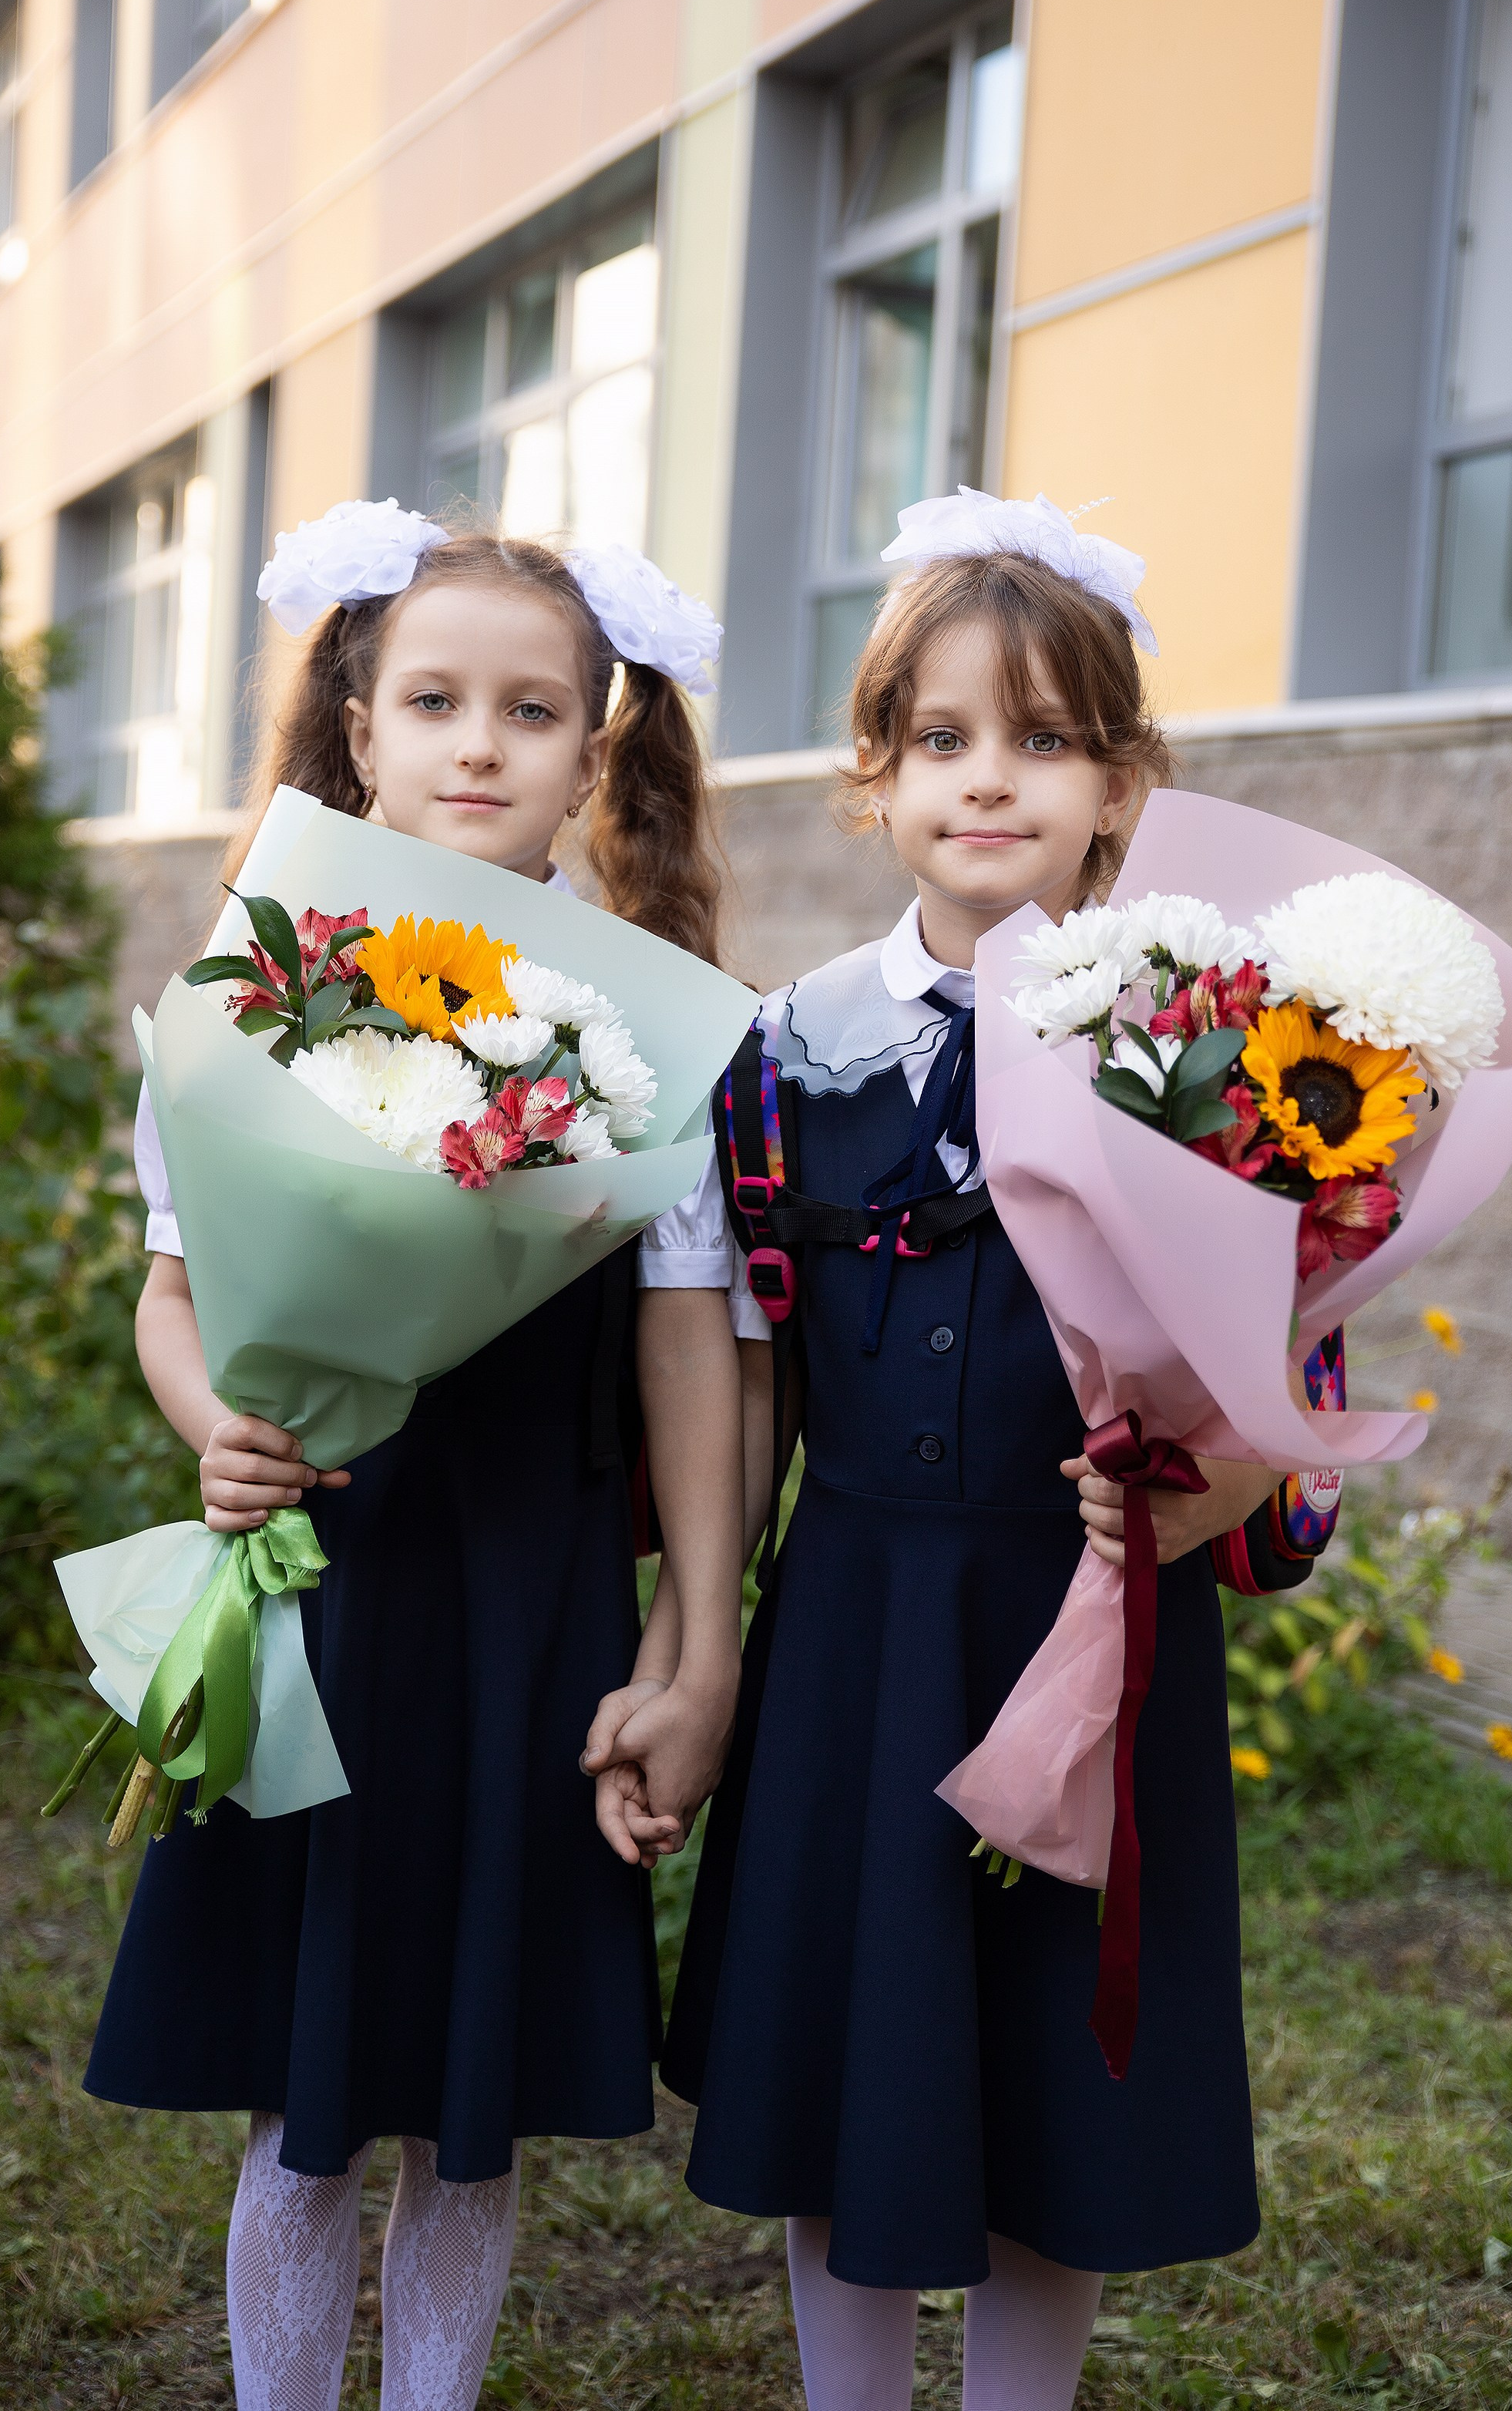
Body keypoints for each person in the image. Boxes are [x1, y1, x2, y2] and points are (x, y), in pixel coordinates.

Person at [637, 497, 1315, 2411]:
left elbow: (1286, 1384)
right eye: (941, 740)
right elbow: (746, 1366)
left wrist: (1213, 1489)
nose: (989, 781)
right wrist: (701, 1649)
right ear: (874, 780)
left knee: (1050, 2102)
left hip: (1088, 1627)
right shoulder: (782, 1052)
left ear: (1124, 786)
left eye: (1043, 739)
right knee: (850, 2077)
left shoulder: (1212, 1061)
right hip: (854, 1630)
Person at [86, 510, 748, 2411]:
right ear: (356, 730)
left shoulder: (664, 1031)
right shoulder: (261, 993)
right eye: (436, 700)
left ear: (591, 750)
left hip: (530, 1597)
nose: (481, 744)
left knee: (477, 2107)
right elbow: (175, 1291)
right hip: (328, 1577)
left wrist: (689, 1640)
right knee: (307, 2094)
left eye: (532, 711)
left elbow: (691, 1352)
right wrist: (217, 1426)